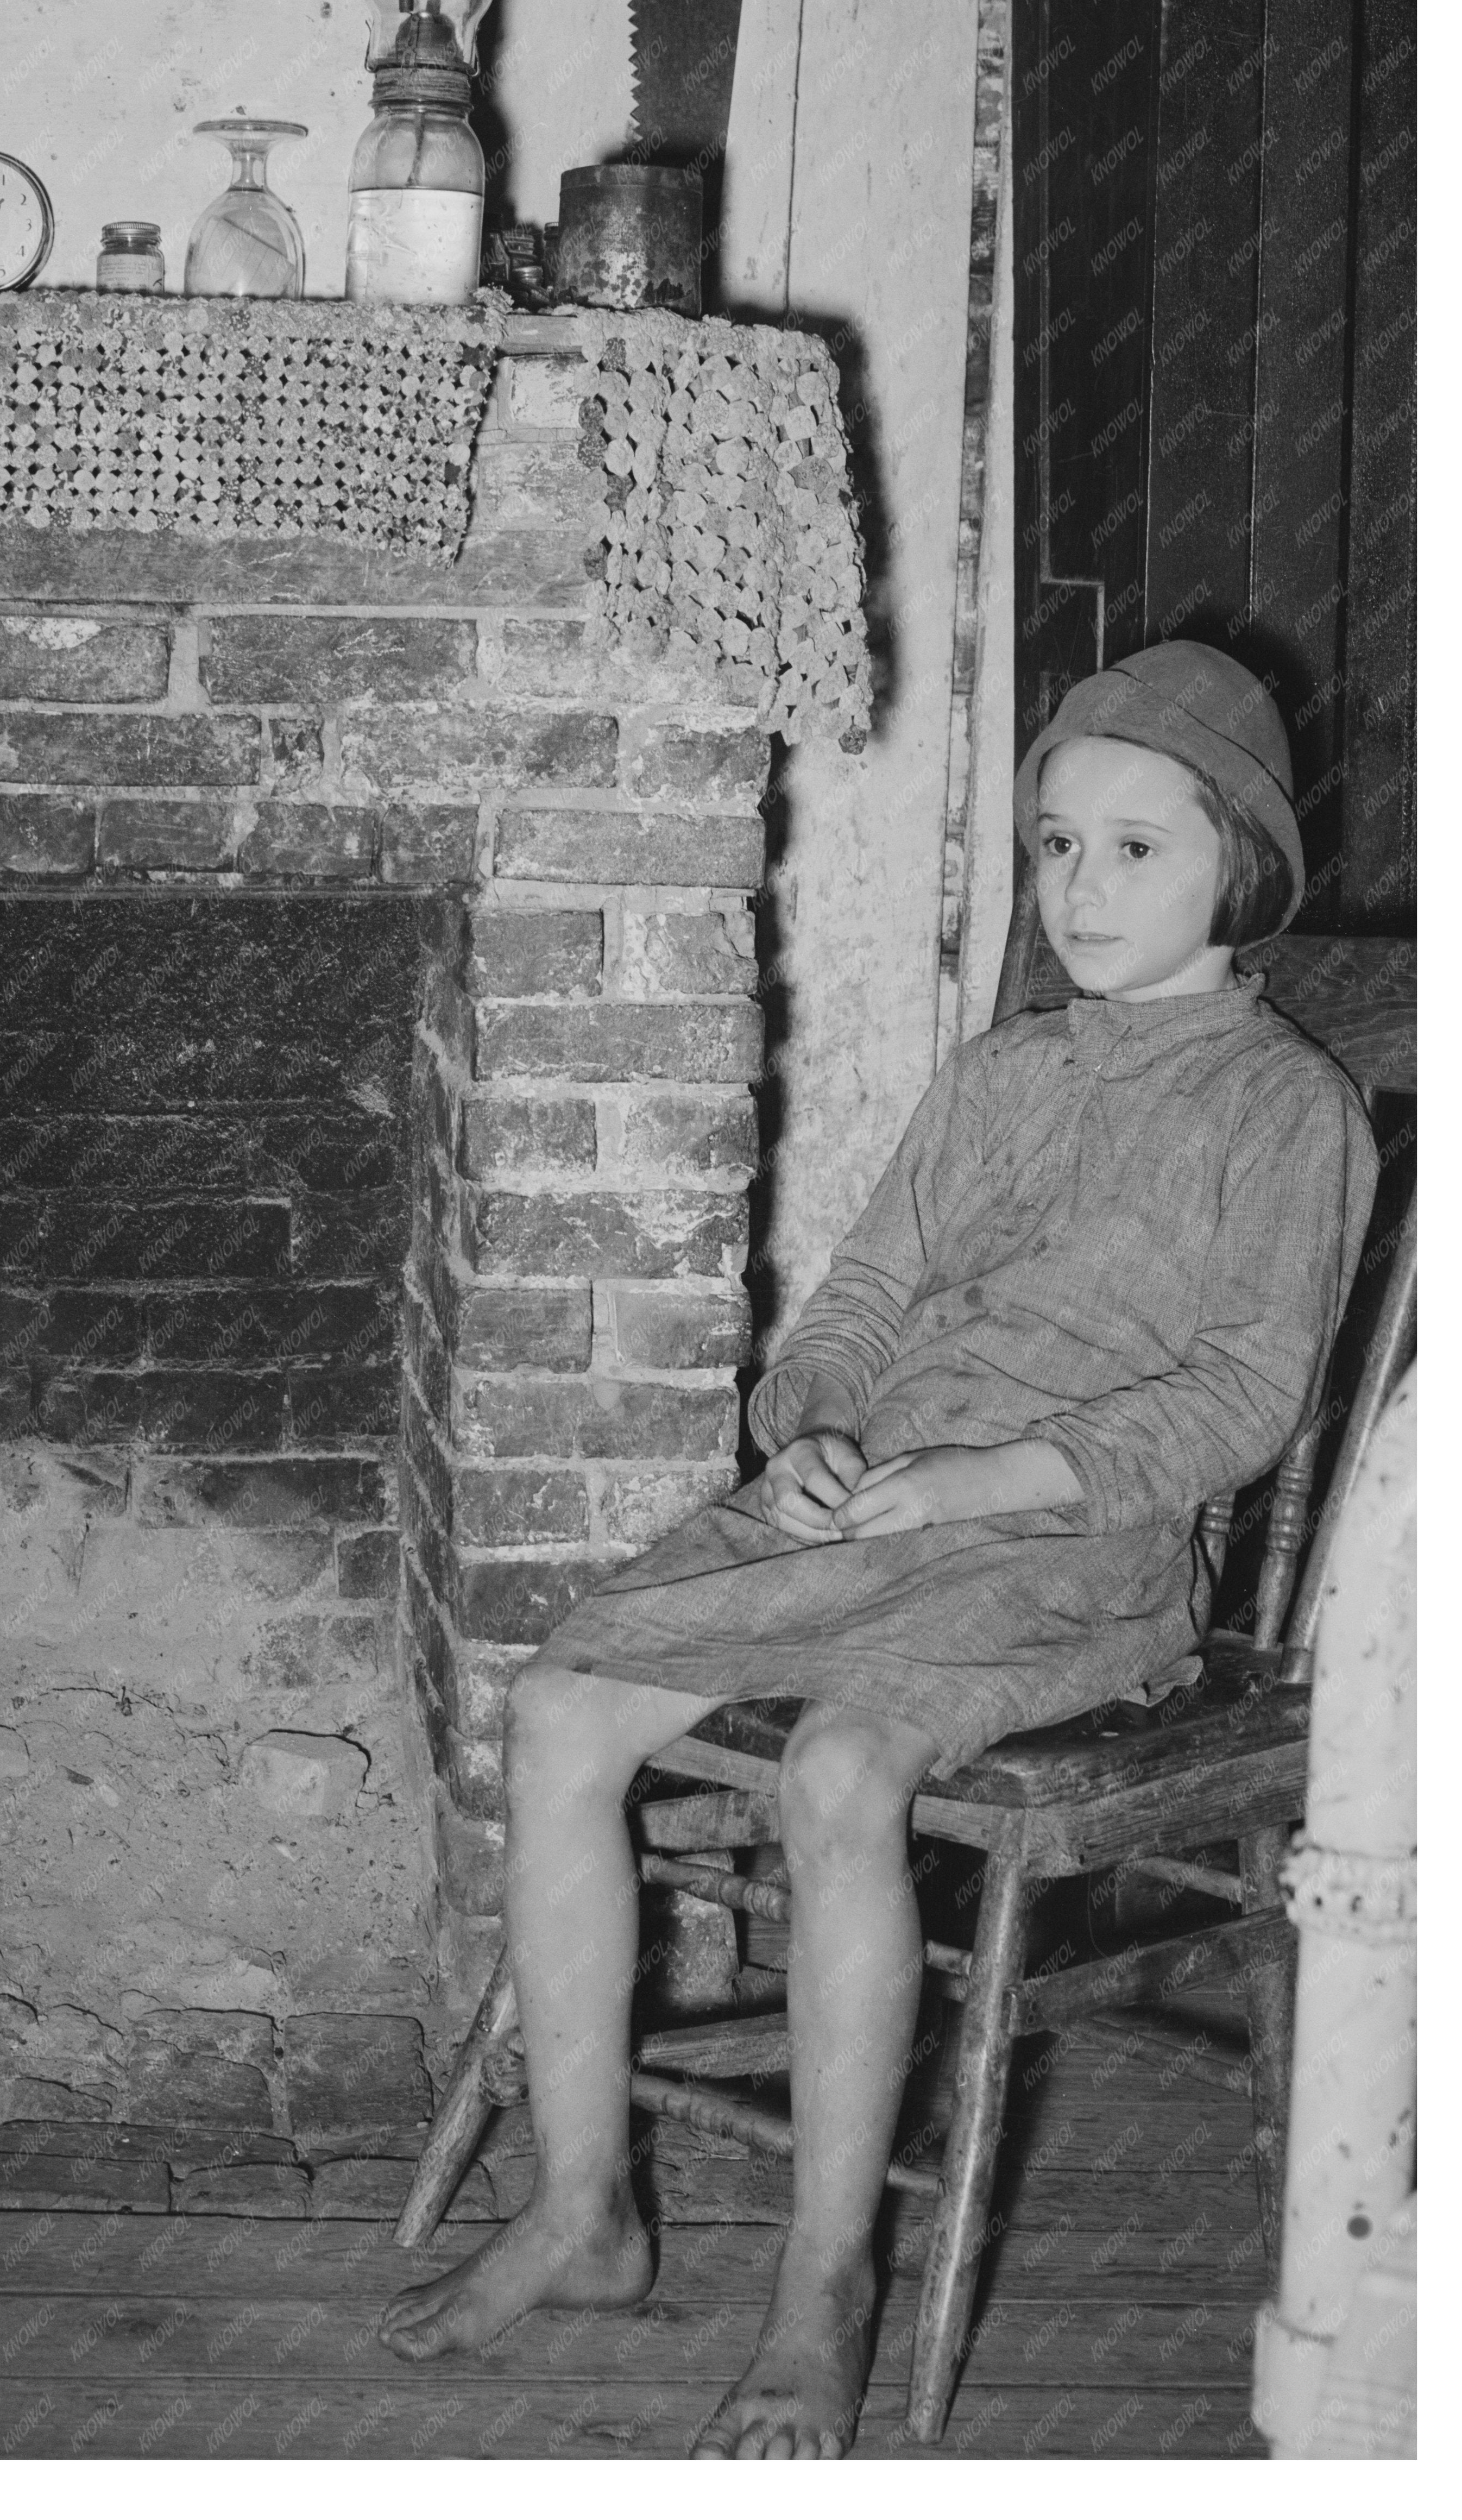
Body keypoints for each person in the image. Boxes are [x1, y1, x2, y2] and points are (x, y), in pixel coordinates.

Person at [379, 642, 1382, 2455]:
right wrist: (813, 1422)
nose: (1077, 889)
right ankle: (585, 2204)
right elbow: (860, 1299)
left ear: (1238, 863)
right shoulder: (1000, 1075)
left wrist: (979, 1479)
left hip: (1073, 1540)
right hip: (866, 1504)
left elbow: (1236, 1403)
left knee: (844, 1770)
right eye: (1054, 845)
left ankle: (820, 2284)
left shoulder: (1284, 1111)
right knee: (561, 1706)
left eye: (1133, 851)